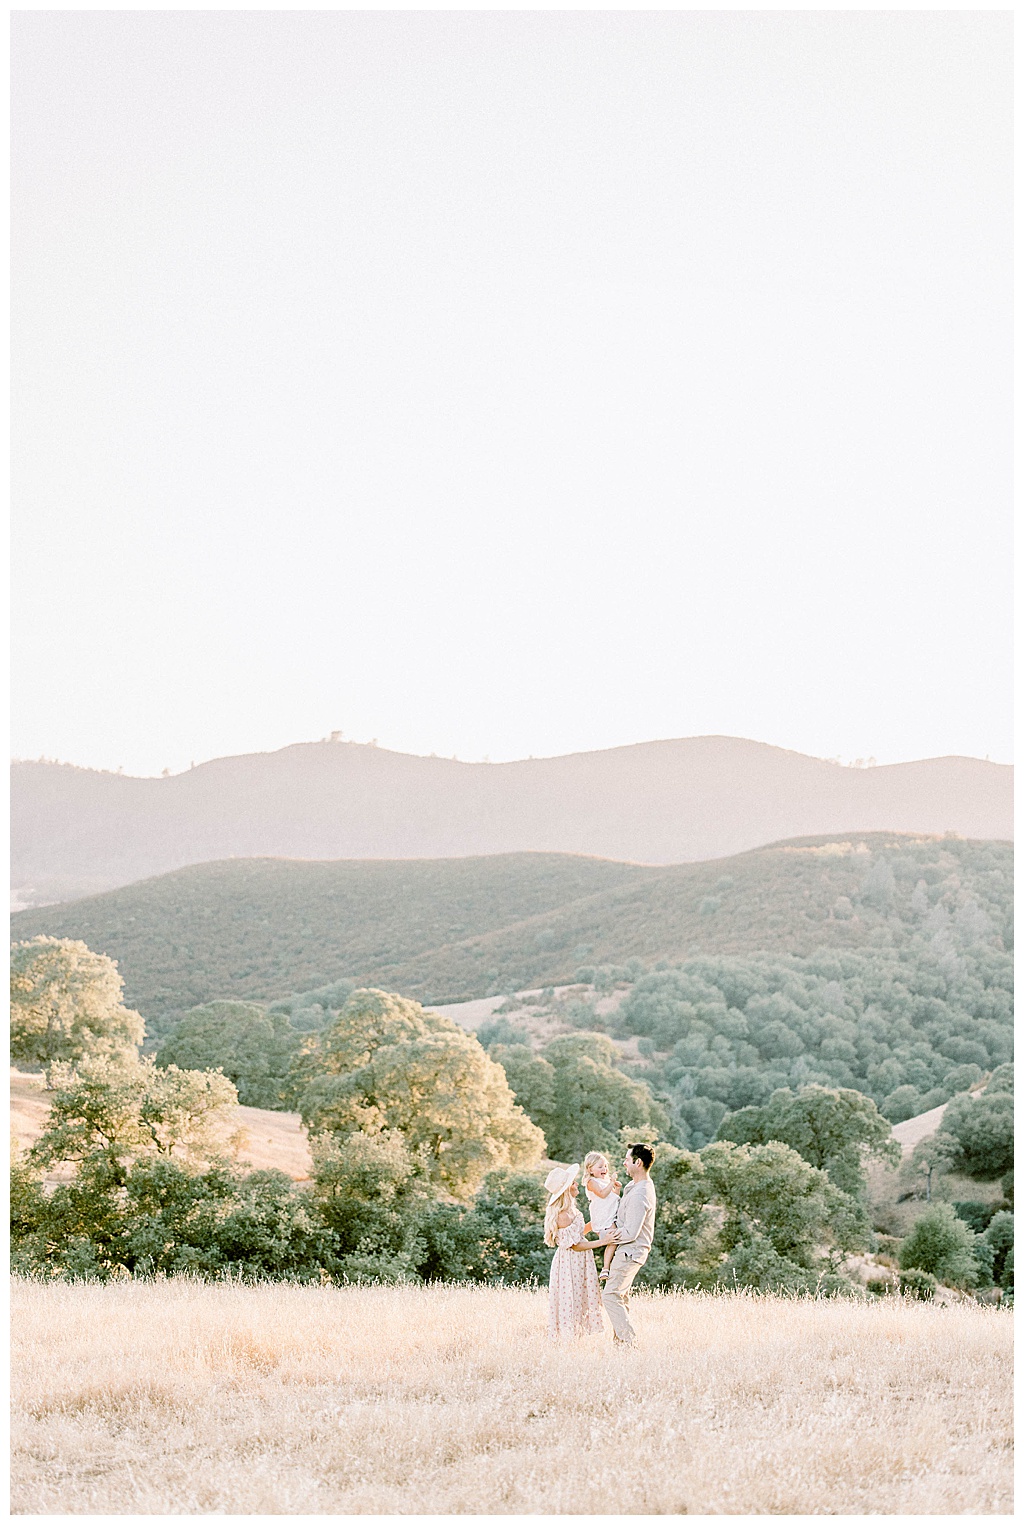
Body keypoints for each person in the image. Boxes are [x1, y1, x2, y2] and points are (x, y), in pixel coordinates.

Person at [601, 1143, 657, 1347]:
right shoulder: (632, 1187)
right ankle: (620, 1347)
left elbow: (631, 1232)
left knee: (610, 1296)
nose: (624, 1162)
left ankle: (629, 1343)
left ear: (638, 1162)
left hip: (630, 1252)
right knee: (620, 1297)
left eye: (627, 1159)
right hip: (626, 1251)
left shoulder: (641, 1193)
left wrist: (608, 1237)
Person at [543, 1163, 604, 1339]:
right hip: (570, 1262)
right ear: (566, 1189)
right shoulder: (562, 1214)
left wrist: (593, 1224)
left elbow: (578, 1234)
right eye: (574, 1183)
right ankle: (568, 1338)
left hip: (579, 1259)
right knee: (570, 1297)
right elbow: (575, 1245)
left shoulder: (572, 1210)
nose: (577, 1185)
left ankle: (578, 1335)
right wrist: (601, 1242)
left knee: (579, 1295)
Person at [582, 1150, 621, 1283]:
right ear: (590, 1169)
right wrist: (612, 1182)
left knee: (614, 1239)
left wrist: (616, 1188)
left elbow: (613, 1196)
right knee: (613, 1238)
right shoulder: (591, 1182)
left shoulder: (604, 1181)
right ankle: (605, 1268)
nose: (604, 1169)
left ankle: (607, 1268)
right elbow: (603, 1194)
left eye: (605, 1166)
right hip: (603, 1216)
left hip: (611, 1213)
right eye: (600, 1167)